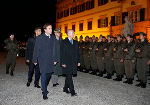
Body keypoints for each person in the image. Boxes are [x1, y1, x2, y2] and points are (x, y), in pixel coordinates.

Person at [33, 23, 58, 100]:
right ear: (45, 30)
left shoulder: (53, 38)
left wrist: (55, 59)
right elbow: (36, 49)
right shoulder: (40, 37)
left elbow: (55, 49)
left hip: (51, 60)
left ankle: (44, 87)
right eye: (49, 28)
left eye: (51, 28)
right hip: (42, 60)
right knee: (43, 75)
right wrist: (34, 59)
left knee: (49, 74)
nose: (51, 30)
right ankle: (44, 92)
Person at [61, 29, 80, 96]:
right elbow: (62, 53)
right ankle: (72, 92)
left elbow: (78, 53)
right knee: (69, 76)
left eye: (74, 33)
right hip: (66, 62)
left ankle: (65, 88)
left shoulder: (76, 42)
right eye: (72, 33)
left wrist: (78, 61)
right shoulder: (63, 42)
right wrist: (62, 62)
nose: (74, 34)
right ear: (68, 34)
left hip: (73, 62)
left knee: (68, 75)